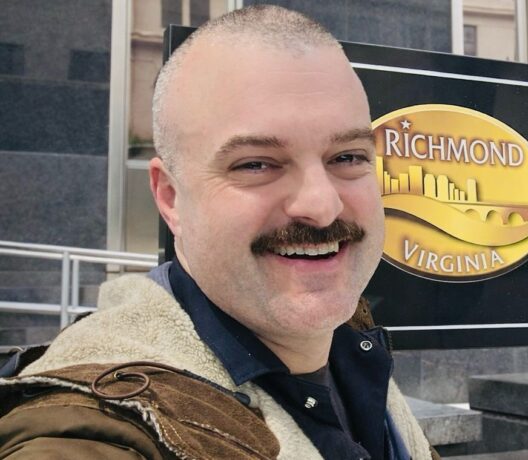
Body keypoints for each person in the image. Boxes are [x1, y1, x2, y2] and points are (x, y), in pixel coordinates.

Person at [0, 5, 435, 459]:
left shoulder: (353, 352)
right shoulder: (87, 431)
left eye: (347, 157)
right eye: (256, 164)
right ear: (170, 197)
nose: (322, 207)